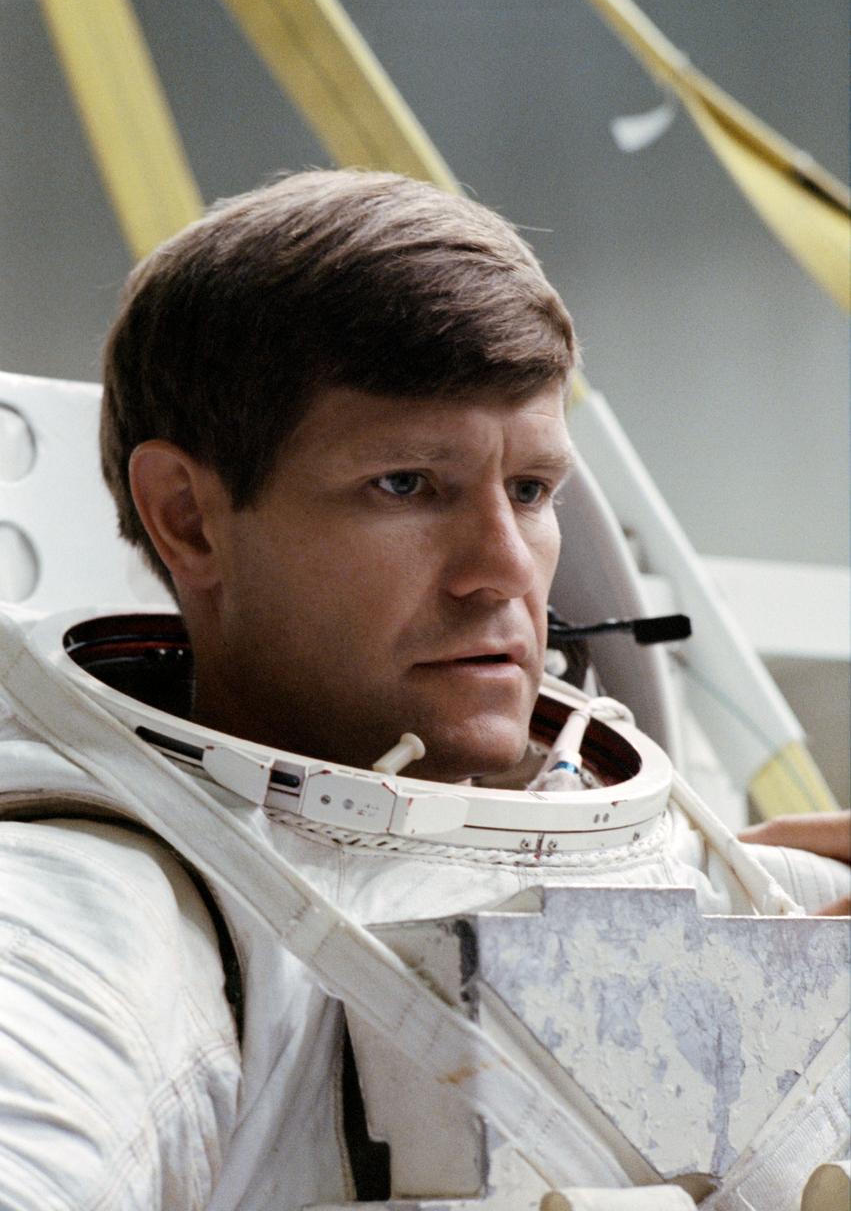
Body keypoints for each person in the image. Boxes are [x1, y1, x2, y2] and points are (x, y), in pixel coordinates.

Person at [0, 170, 848, 1210]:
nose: (503, 569)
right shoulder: (83, 930)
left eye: (529, 490)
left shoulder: (718, 879)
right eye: (404, 484)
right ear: (187, 516)